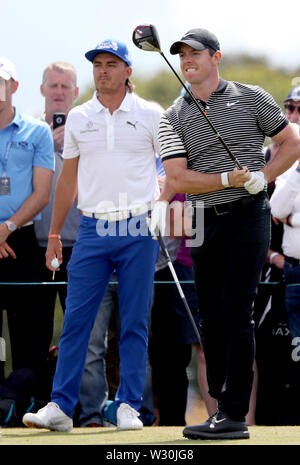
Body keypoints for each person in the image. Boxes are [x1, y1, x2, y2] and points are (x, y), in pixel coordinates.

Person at [153, 28, 300, 440]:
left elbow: (291, 142)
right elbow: (179, 177)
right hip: (201, 221)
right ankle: (221, 407)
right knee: (210, 318)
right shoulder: (172, 116)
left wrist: (262, 176)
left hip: (248, 215)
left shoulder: (252, 97)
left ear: (216, 57)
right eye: (181, 55)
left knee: (236, 311)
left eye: (194, 53)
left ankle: (234, 413)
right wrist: (224, 177)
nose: (186, 60)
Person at [22, 39, 161, 432]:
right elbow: (68, 181)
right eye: (98, 64)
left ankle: (129, 405)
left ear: (127, 71)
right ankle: (61, 406)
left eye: (112, 64)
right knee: (76, 322)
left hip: (137, 227)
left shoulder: (151, 114)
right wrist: (52, 233)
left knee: (134, 322)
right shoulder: (81, 117)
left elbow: (168, 167)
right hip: (93, 228)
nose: (103, 70)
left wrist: (160, 201)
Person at [0, 57, 54, 375]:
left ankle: (17, 401)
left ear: (14, 86)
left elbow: (42, 193)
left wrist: (5, 229)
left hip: (21, 239)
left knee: (26, 334)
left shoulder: (37, 132)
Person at [34, 62, 80, 355]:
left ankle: (80, 399)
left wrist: (71, 149)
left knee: (79, 328)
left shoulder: (89, 127)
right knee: (35, 329)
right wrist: (45, 145)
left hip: (79, 244)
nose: (59, 92)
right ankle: (34, 396)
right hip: (35, 245)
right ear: (42, 90)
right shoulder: (27, 130)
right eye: (53, 85)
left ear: (75, 92)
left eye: (65, 86)